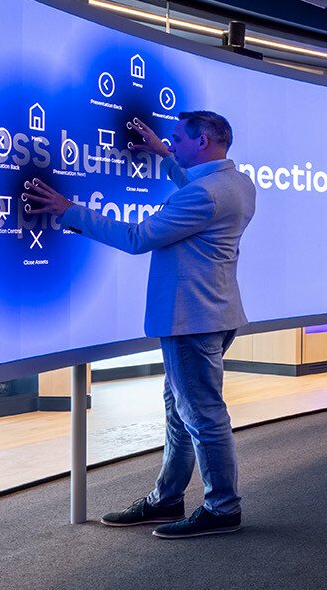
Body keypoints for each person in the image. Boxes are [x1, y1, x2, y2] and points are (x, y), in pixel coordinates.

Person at [22, 112, 257, 539]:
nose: (172, 145)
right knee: (181, 410)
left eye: (177, 140)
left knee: (201, 414)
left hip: (192, 320)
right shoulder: (237, 183)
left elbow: (136, 238)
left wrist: (71, 211)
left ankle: (223, 507)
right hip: (215, 314)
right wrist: (166, 155)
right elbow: (194, 187)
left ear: (203, 141)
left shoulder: (203, 195)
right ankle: (168, 498)